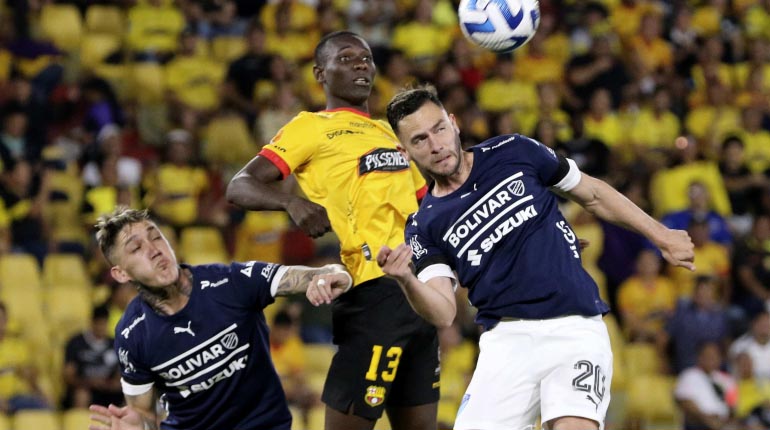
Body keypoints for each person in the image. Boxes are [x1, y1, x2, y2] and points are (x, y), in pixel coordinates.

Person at [377, 85, 696, 430]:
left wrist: (661, 235)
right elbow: (443, 311)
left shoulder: (513, 150)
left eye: (439, 128)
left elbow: (591, 193)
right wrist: (406, 279)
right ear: (404, 151)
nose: (436, 145)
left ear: (453, 122)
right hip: (505, 344)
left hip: (574, 327)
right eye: (420, 139)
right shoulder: (423, 225)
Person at [226, 31, 439, 430]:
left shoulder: (388, 132)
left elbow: (428, 209)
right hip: (372, 291)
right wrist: (293, 203)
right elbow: (240, 185)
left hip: (420, 295)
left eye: (366, 57)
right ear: (320, 74)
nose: (361, 64)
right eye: (346, 57)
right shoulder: (309, 127)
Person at [87, 207, 352, 430]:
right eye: (136, 248)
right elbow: (143, 413)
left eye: (156, 237)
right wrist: (141, 426)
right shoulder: (131, 334)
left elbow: (309, 274)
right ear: (121, 274)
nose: (154, 249)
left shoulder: (230, 282)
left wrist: (333, 274)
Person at [63, 305, 122, 409]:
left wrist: (112, 384)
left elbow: (120, 373)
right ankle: (79, 419)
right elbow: (68, 376)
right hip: (85, 388)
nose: (101, 327)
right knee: (81, 395)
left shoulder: (114, 344)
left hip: (108, 391)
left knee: (129, 394)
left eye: (104, 323)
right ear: (91, 322)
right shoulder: (76, 343)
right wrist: (89, 382)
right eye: (98, 323)